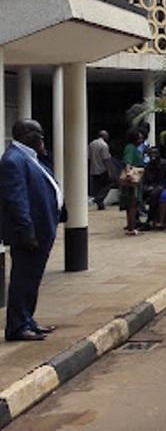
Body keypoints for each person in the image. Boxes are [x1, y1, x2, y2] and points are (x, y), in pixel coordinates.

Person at [1, 119, 63, 342]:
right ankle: (17, 326)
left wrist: (44, 152)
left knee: (33, 279)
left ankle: (28, 320)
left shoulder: (30, 157)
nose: (42, 138)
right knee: (23, 279)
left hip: (42, 228)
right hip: (30, 232)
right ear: (26, 134)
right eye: (39, 134)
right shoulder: (13, 161)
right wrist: (26, 230)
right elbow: (16, 199)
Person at [119, 129, 145, 235]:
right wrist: (129, 174)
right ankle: (131, 227)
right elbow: (127, 162)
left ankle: (131, 225)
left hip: (136, 177)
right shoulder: (130, 148)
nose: (141, 139)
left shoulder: (135, 148)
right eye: (139, 137)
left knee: (131, 203)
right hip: (133, 178)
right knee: (132, 203)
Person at [140, 146, 166, 227]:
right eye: (151, 154)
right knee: (136, 193)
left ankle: (150, 219)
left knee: (154, 194)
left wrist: (156, 186)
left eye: (155, 153)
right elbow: (146, 180)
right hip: (151, 186)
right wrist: (147, 186)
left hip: (162, 186)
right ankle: (136, 219)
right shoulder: (148, 166)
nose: (153, 155)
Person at [88, 129, 112, 210]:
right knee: (108, 185)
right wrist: (109, 170)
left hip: (93, 169)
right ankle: (98, 199)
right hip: (102, 169)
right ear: (104, 136)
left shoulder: (91, 144)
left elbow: (89, 157)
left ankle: (100, 204)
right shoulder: (104, 145)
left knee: (98, 188)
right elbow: (106, 159)